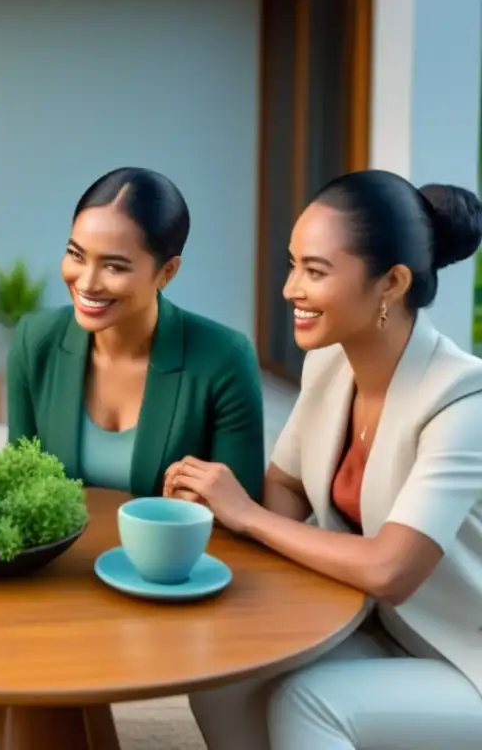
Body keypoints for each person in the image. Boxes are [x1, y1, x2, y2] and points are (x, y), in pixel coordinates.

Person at [165, 169, 482, 749]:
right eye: (293, 265)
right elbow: (286, 486)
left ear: (391, 283)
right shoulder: (330, 365)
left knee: (310, 703)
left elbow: (391, 570)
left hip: (468, 657)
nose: (291, 289)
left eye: (315, 271)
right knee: (225, 676)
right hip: (387, 631)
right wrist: (217, 507)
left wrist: (247, 516)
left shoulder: (463, 402)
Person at [6, 167, 265, 500]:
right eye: (76, 255)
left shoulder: (225, 358)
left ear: (166, 272)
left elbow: (242, 508)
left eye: (114, 266)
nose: (87, 283)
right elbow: (18, 487)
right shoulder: (34, 341)